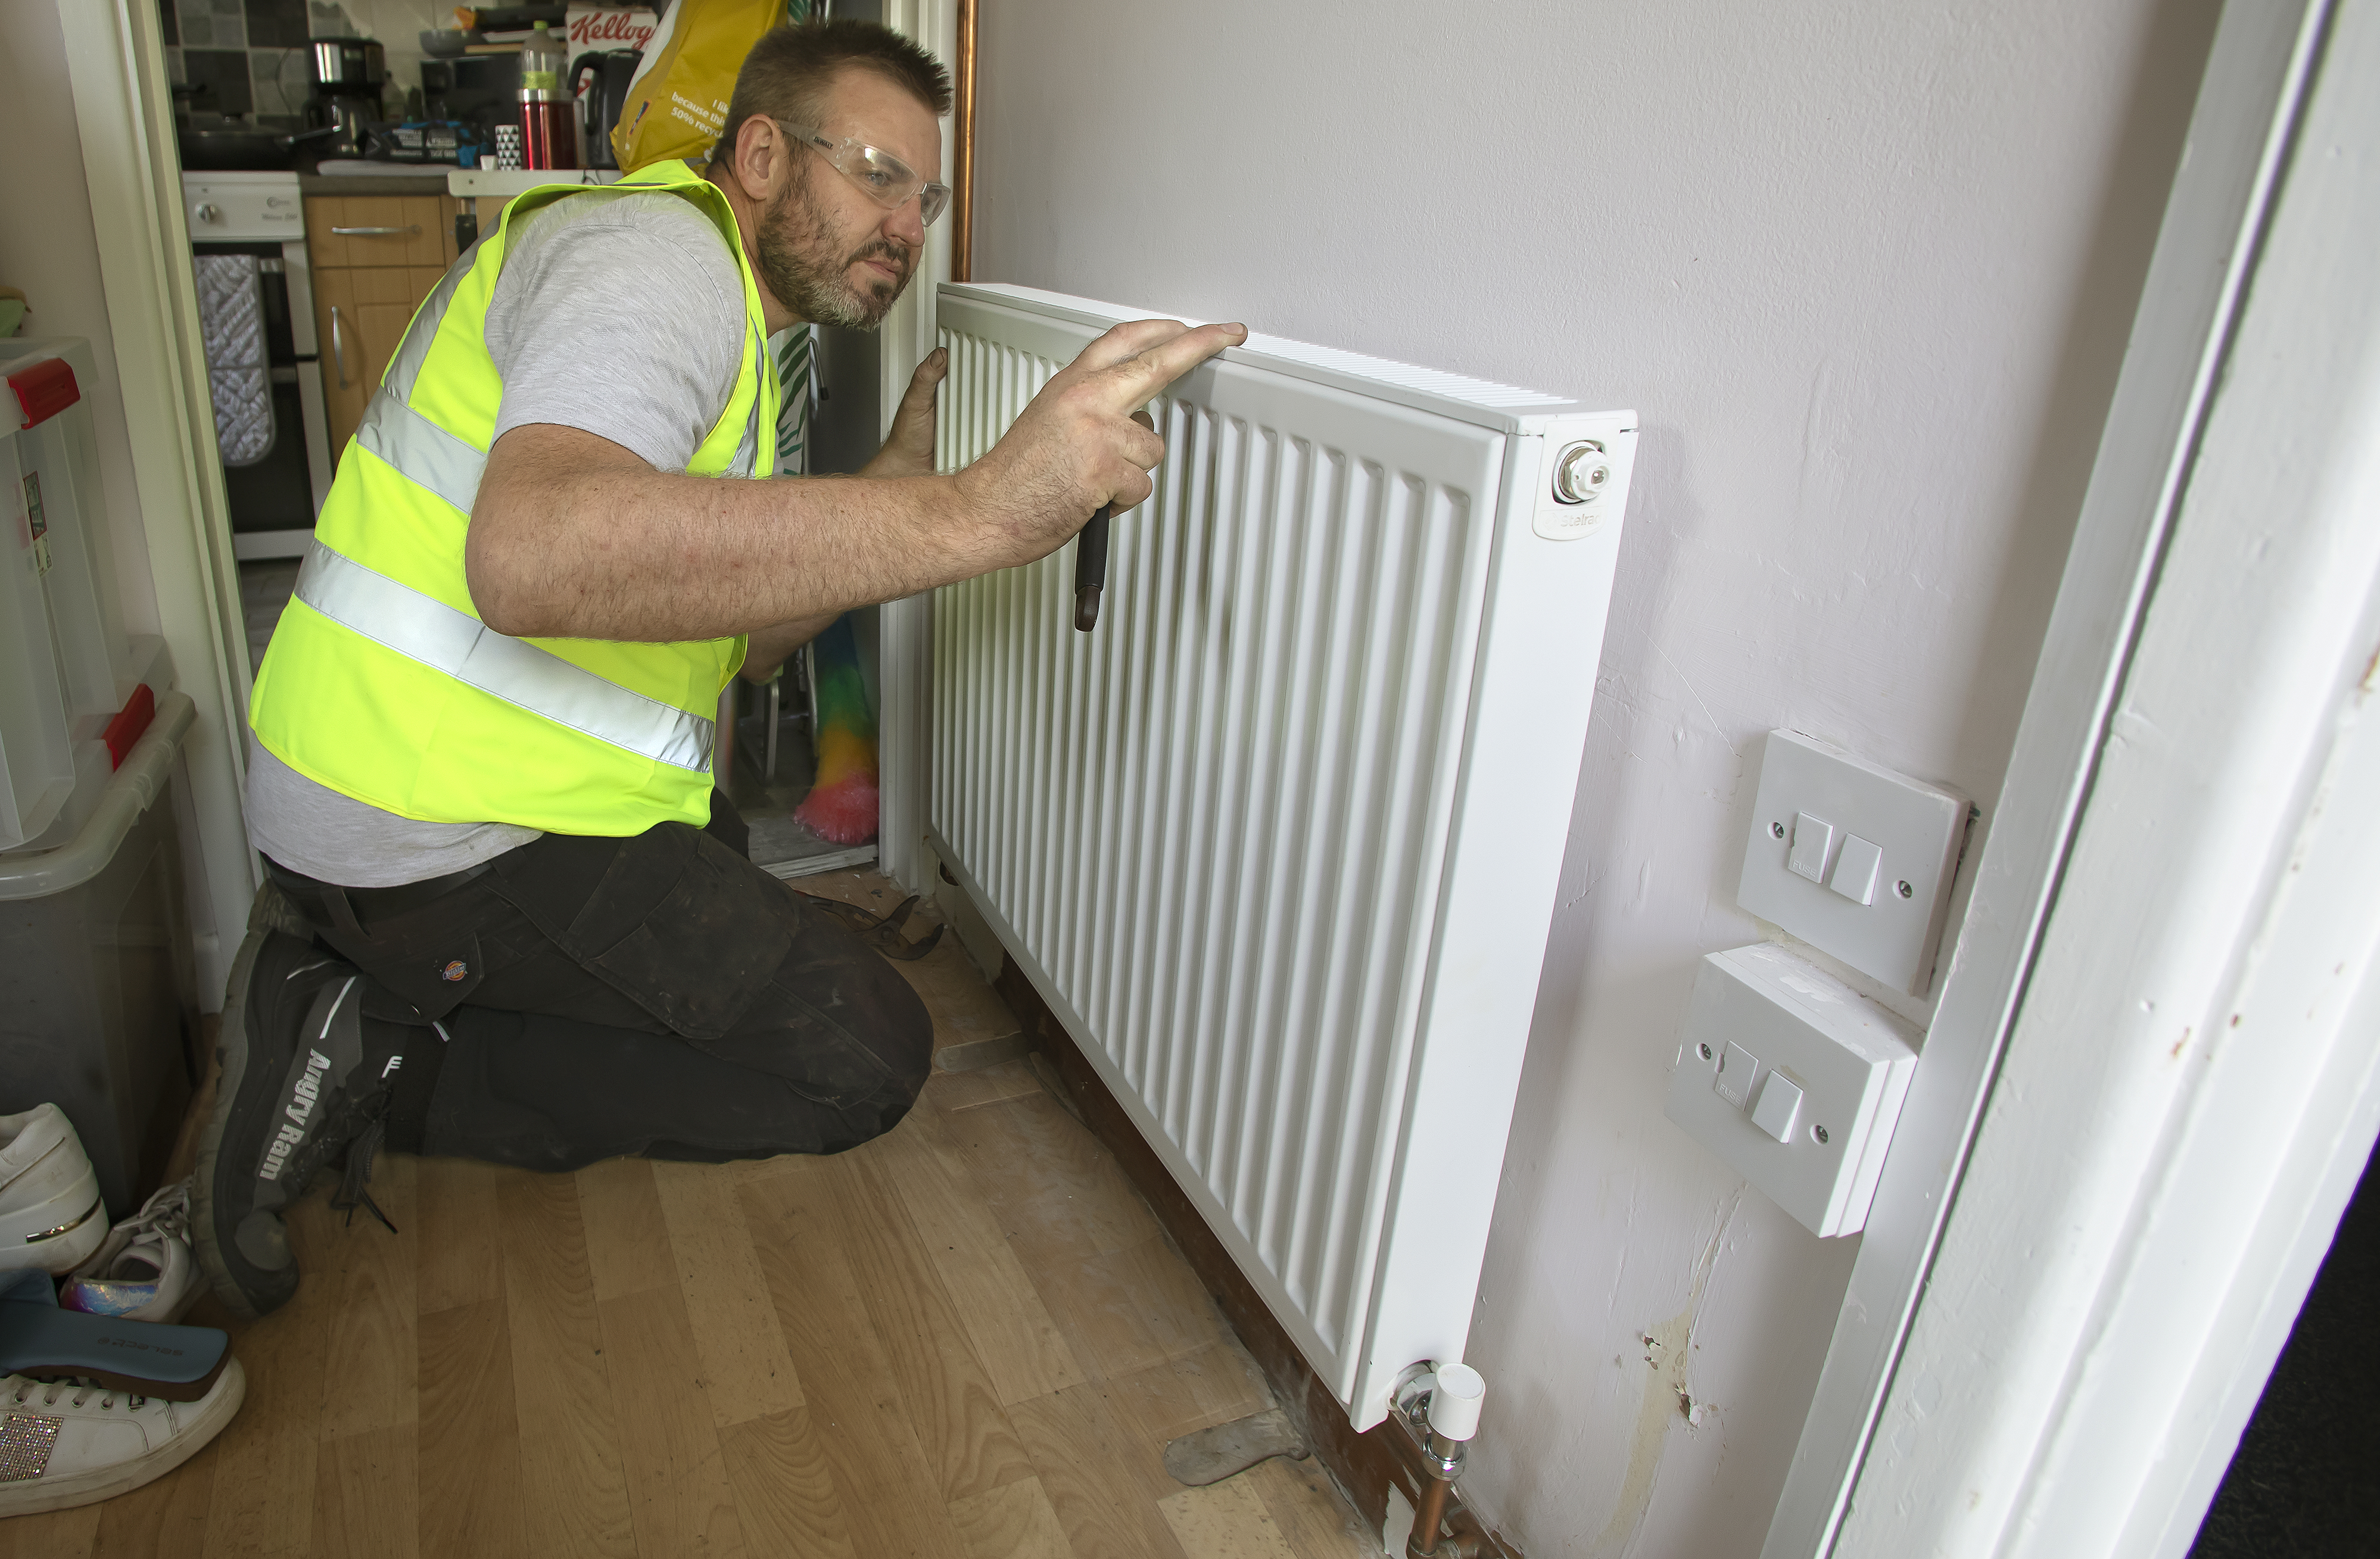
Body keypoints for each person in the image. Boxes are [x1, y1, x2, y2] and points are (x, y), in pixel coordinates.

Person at [193, 19, 1244, 1319]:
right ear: (757, 155)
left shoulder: (736, 332)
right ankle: (365, 1036)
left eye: (928, 198)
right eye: (873, 173)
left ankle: (380, 974)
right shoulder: (653, 264)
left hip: (414, 787)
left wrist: (890, 498)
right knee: (861, 1058)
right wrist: (975, 511)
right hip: (429, 832)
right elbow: (533, 557)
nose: (907, 227)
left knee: (727, 890)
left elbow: (735, 642)